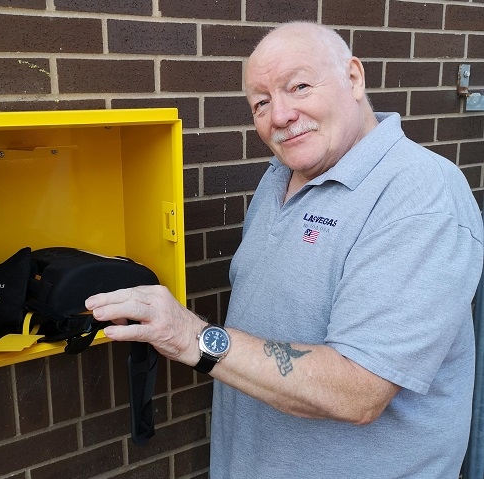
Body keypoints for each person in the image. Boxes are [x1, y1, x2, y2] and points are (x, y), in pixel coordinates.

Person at [85, 22, 484, 478]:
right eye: (261, 102)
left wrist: (193, 338)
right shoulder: (282, 175)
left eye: (299, 86)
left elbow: (359, 391)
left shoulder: (419, 198)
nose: (280, 116)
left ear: (354, 77)